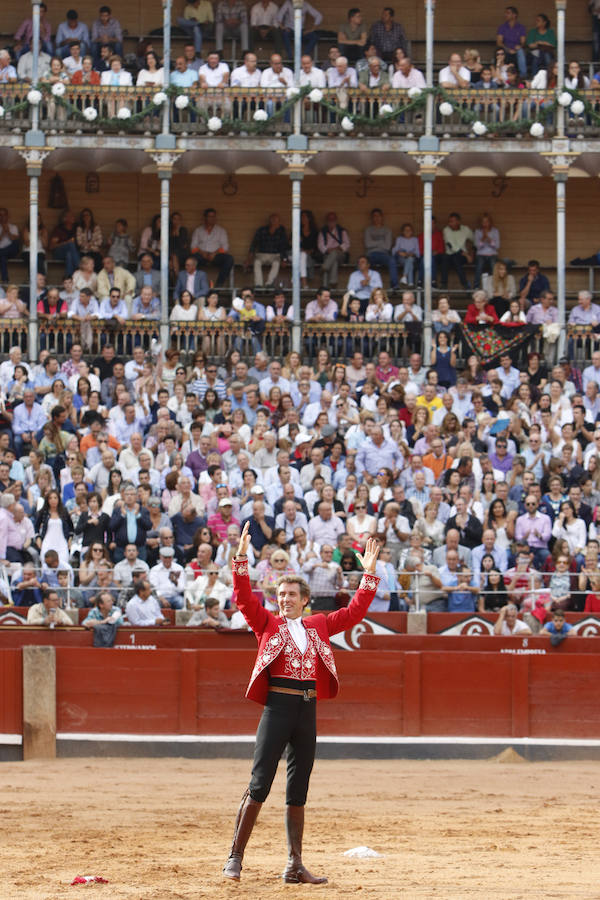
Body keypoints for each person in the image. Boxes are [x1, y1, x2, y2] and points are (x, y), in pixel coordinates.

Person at [222, 523, 380, 883]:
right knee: (260, 782)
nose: (286, 599)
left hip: (306, 710)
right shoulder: (267, 624)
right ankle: (235, 857)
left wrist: (368, 575)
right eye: (281, 593)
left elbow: (354, 613)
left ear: (305, 599)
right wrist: (241, 558)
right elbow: (244, 599)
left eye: (292, 594)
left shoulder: (319, 625)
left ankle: (294, 864)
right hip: (277, 707)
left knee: (299, 787)